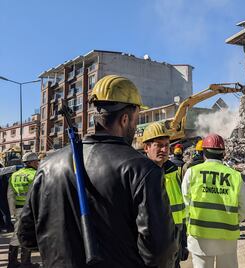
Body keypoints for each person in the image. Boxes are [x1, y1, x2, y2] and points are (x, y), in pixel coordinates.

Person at [18, 75, 177, 267]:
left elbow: (26, 236)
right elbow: (159, 251)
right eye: (136, 119)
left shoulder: (48, 165)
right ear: (125, 119)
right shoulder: (142, 170)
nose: (136, 127)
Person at [182, 133, 245, 268]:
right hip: (227, 238)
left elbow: (185, 204)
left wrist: (190, 222)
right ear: (223, 154)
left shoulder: (192, 172)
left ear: (204, 153)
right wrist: (232, 220)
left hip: (199, 236)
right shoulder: (235, 176)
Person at [142, 122, 188, 267]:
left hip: (174, 242)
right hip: (150, 248)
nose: (164, 149)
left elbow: (180, 210)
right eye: (158, 145)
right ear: (146, 147)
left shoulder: (174, 172)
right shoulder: (139, 174)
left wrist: (182, 241)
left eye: (167, 145)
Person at [8, 152, 40, 268]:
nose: (38, 163)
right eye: (36, 161)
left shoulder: (14, 175)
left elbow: (10, 195)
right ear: (31, 162)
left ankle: (12, 262)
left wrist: (12, 213)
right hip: (30, 209)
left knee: (16, 235)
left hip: (17, 209)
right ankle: (26, 263)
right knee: (28, 233)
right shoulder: (35, 174)